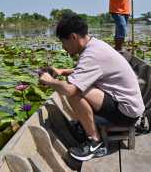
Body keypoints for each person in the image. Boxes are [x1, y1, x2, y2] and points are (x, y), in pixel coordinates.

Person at [39, 14, 145, 161]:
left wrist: (49, 81)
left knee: (74, 92)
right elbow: (89, 71)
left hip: (126, 114)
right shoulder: (95, 45)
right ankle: (90, 126)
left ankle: (95, 142)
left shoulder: (92, 54)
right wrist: (61, 71)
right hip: (130, 108)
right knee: (77, 83)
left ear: (73, 37)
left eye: (63, 42)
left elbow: (70, 89)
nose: (63, 48)